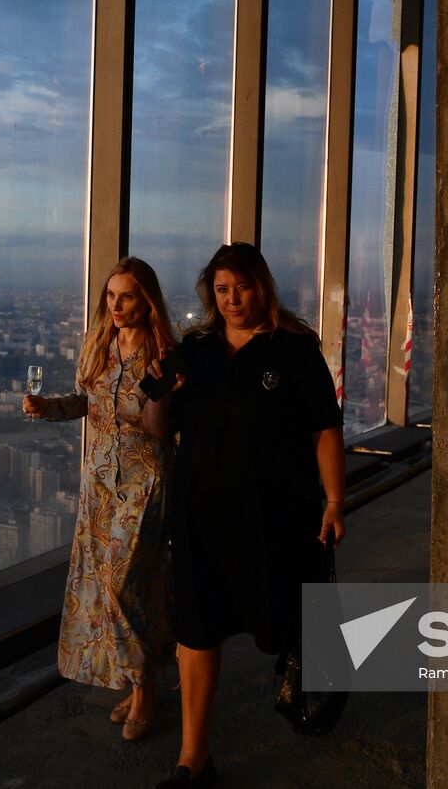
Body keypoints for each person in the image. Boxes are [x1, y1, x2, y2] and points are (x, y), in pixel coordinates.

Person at [143, 242, 347, 788]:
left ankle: (306, 676)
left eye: (243, 287)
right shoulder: (195, 349)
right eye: (222, 290)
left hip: (276, 516)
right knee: (197, 632)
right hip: (200, 517)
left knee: (286, 614)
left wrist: (333, 501)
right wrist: (163, 389)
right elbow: (158, 427)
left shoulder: (296, 350)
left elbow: (325, 429)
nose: (233, 300)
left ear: (263, 285)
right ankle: (194, 759)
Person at [23, 257, 177, 741]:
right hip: (99, 486)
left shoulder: (163, 353)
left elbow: (163, 427)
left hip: (144, 482)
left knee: (120, 585)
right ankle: (138, 682)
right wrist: (48, 408)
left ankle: (147, 687)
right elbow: (84, 403)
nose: (115, 305)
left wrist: (163, 386)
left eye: (126, 296)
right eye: (110, 296)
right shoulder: (100, 346)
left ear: (146, 299)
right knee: (129, 592)